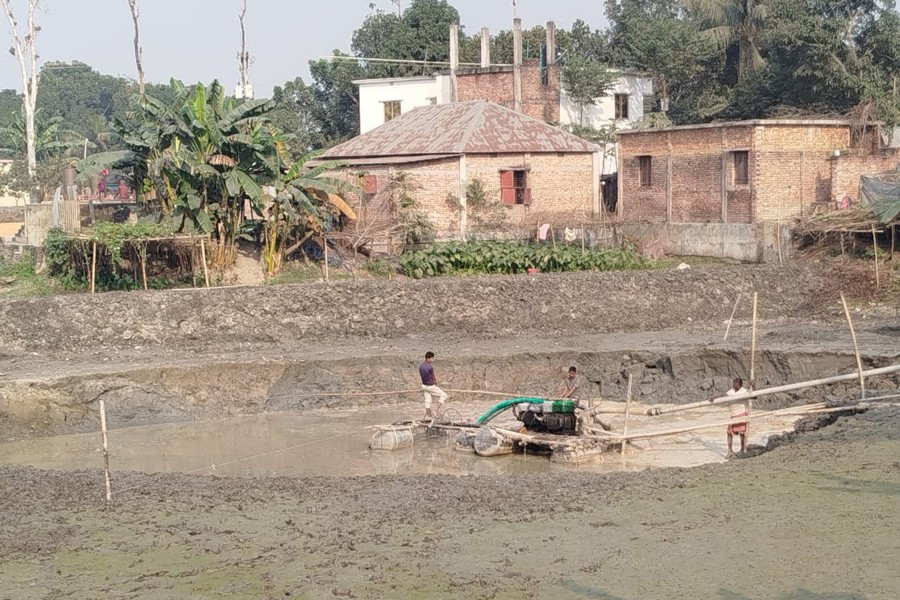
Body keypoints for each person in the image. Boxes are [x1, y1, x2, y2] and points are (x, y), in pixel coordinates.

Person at [723, 377, 749, 458]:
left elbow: (754, 396)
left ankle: (742, 449)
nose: (733, 385)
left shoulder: (744, 391)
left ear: (738, 384)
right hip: (733, 415)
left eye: (734, 383)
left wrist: (753, 386)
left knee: (742, 433)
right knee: (729, 433)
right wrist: (715, 397)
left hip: (741, 414)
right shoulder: (732, 391)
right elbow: (724, 395)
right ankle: (730, 450)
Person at [418, 351, 447, 419]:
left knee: (428, 400)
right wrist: (435, 383)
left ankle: (429, 416)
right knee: (444, 395)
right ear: (428, 359)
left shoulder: (421, 366)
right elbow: (433, 377)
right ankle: (436, 410)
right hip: (430, 386)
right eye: (432, 358)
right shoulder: (430, 367)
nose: (432, 360)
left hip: (424, 386)